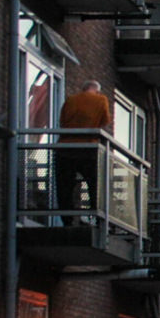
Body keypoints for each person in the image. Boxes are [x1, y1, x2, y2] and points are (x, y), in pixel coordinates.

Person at [56, 80, 111, 226]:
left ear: (83, 89)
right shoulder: (101, 100)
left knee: (65, 186)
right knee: (93, 184)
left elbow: (62, 121)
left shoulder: (71, 99)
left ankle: (66, 219)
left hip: (65, 149)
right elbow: (105, 121)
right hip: (88, 149)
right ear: (97, 91)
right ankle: (97, 218)